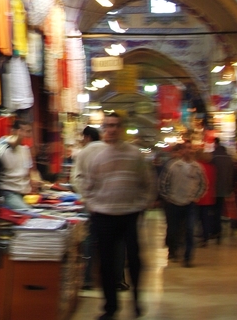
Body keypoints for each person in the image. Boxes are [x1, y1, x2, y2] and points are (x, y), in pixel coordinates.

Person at [76, 111, 153, 320]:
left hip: (129, 215)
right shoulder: (96, 156)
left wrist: (141, 205)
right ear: (103, 129)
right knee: (107, 264)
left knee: (135, 261)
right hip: (104, 216)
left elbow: (147, 183)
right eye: (108, 125)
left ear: (122, 129)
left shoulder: (135, 155)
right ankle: (111, 307)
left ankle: (137, 301)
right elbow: (86, 183)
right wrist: (92, 203)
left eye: (116, 125)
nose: (112, 129)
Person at [159, 141, 206, 267]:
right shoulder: (173, 166)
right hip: (174, 202)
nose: (188, 151)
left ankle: (188, 258)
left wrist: (196, 197)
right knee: (173, 230)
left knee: (189, 230)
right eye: (185, 148)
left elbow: (203, 184)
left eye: (190, 148)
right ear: (181, 151)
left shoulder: (197, 168)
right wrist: (167, 197)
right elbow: (164, 183)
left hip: (190, 203)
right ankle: (173, 251)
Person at [70, 125, 101, 289]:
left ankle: (88, 278)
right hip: (106, 205)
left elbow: (76, 180)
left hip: (89, 203)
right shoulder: (107, 151)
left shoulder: (84, 153)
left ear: (87, 137)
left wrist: (85, 196)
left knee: (88, 238)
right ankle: (107, 278)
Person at [0, 119, 43, 211]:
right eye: (27, 131)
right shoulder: (1, 147)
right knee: (30, 214)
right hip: (9, 193)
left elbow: (30, 170)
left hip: (23, 192)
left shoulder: (25, 150)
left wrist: (34, 179)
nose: (29, 135)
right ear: (17, 131)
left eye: (29, 131)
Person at [211, 137, 234, 242]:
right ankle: (219, 231)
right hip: (224, 188)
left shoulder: (213, 157)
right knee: (220, 210)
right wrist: (230, 188)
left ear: (215, 144)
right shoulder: (228, 158)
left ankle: (215, 230)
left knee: (213, 211)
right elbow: (232, 175)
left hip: (213, 188)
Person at [196, 153, 218, 247]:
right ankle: (205, 238)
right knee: (206, 219)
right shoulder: (212, 168)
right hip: (209, 197)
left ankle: (197, 236)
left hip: (198, 197)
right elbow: (213, 181)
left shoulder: (197, 166)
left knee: (196, 219)